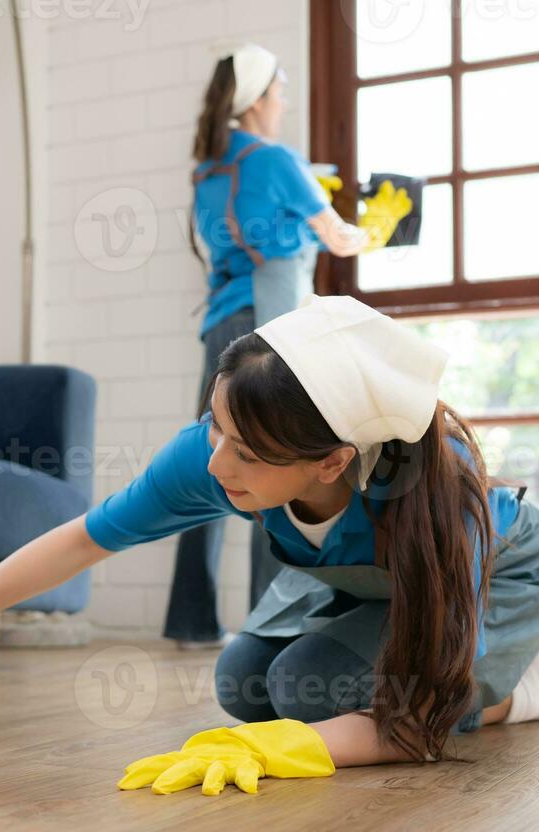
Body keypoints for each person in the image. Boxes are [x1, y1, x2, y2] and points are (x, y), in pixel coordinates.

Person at [0, 295, 539, 795]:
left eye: (247, 453)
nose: (216, 464)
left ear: (333, 462)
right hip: (361, 580)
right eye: (216, 427)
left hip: (496, 580)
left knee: (305, 688)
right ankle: (462, 669)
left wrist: (280, 754)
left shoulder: (436, 501)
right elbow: (80, 540)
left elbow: (409, 729)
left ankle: (517, 688)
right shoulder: (220, 452)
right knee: (245, 683)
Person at [170, 41, 390, 650]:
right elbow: (340, 239)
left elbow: (240, 231)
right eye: (281, 90)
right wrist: (381, 223)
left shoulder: (210, 168)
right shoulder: (277, 160)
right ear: (260, 98)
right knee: (274, 468)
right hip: (269, 334)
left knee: (207, 466)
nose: (285, 101)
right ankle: (270, 623)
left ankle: (189, 621)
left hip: (221, 326)